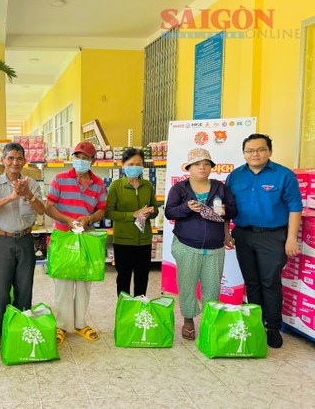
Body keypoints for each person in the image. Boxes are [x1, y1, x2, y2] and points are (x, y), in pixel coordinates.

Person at [225, 134, 302, 348]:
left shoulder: (283, 175)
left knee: (270, 281)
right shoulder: (235, 176)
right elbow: (227, 208)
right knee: (251, 282)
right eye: (249, 151)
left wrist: (291, 239)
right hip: (243, 234)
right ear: (244, 154)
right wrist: (226, 232)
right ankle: (255, 322)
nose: (255, 154)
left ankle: (273, 327)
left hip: (273, 236)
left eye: (260, 149)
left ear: (270, 151)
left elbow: (295, 207)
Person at [164, 148, 237, 341]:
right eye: (197, 164)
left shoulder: (220, 188)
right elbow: (170, 212)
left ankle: (209, 321)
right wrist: (185, 208)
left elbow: (233, 210)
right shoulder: (180, 189)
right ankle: (188, 320)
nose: (202, 167)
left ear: (211, 167)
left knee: (212, 287)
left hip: (214, 247)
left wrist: (223, 211)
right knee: (187, 285)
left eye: (206, 164)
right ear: (189, 167)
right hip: (186, 245)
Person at [0, 142, 45, 350]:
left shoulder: (32, 184)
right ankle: (2, 331)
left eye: (19, 158)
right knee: (0, 289)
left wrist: (28, 195)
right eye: (10, 158)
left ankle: (21, 328)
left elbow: (41, 210)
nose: (14, 162)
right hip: (1, 241)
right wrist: (10, 197)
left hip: (25, 240)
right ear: (3, 160)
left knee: (24, 287)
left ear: (24, 161)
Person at [45, 141, 106, 345]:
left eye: (85, 157)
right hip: (64, 236)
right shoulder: (60, 179)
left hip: (86, 237)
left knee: (83, 282)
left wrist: (89, 219)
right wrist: (67, 220)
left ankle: (80, 323)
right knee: (63, 282)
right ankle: (62, 325)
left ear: (92, 161)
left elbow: (102, 209)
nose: (80, 161)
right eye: (77, 156)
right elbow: (49, 206)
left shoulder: (98, 184)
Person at [105, 148, 158, 297]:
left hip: (145, 240)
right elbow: (109, 213)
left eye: (139, 164)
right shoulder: (116, 186)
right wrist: (133, 215)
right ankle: (124, 311)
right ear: (123, 165)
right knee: (123, 279)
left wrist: (150, 212)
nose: (135, 167)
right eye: (131, 163)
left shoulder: (147, 185)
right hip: (123, 241)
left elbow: (156, 211)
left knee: (142, 279)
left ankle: (139, 311)